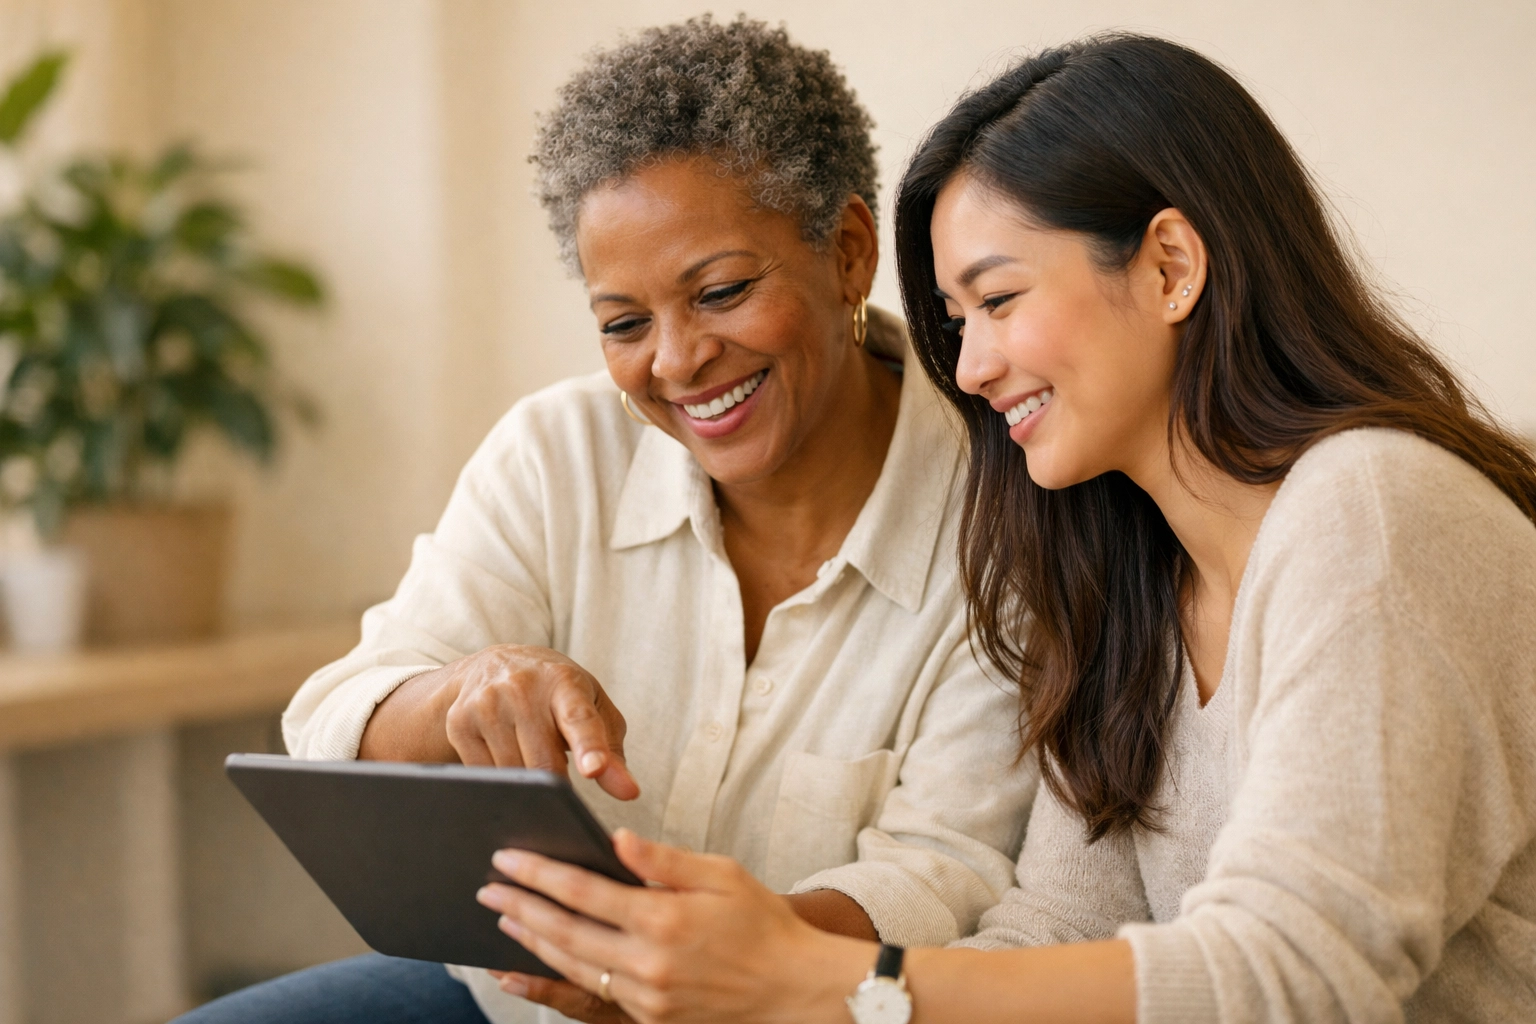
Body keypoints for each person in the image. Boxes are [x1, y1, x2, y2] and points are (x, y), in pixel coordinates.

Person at [477, 33, 1536, 1024]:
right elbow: (1055, 927)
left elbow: (1293, 973)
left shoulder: (1374, 511)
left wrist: (823, 973)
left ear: (1171, 266)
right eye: (955, 320)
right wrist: (770, 992)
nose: (971, 368)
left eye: (999, 300)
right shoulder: (1131, 580)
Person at [175, 16, 1036, 1024]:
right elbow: (330, 729)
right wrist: (460, 687)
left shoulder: (1006, 518)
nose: (675, 361)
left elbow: (948, 873)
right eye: (623, 323)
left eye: (719, 291)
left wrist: (694, 971)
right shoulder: (554, 454)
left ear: (848, 253)